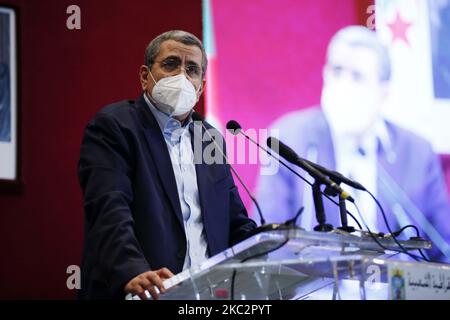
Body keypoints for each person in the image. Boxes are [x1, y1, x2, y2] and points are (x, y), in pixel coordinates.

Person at [77, 30, 256, 300]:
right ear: (144, 76)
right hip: (143, 291)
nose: (181, 76)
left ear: (201, 86)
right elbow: (109, 207)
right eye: (171, 64)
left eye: (192, 69)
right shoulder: (115, 126)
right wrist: (132, 270)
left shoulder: (209, 139)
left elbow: (234, 222)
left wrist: (280, 250)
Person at [254, 26, 450, 263]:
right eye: (337, 71)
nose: (343, 84)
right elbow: (267, 242)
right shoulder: (290, 138)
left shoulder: (417, 152)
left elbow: (444, 249)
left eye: (357, 76)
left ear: (383, 91)